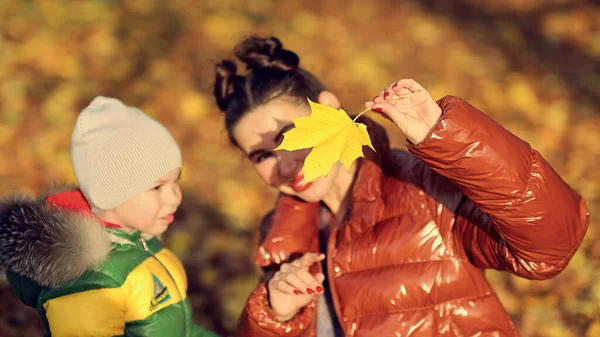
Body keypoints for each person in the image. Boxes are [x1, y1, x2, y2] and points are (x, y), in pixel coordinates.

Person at [213, 36, 589, 337]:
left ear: (328, 107)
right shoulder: (282, 235)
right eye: (260, 156)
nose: (284, 160)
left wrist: (452, 140)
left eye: (288, 135)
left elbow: (551, 245)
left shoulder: (420, 186)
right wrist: (275, 318)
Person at [0, 97, 219, 337]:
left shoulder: (140, 243)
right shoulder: (91, 282)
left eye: (176, 181)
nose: (175, 197)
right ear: (109, 193)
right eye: (157, 187)